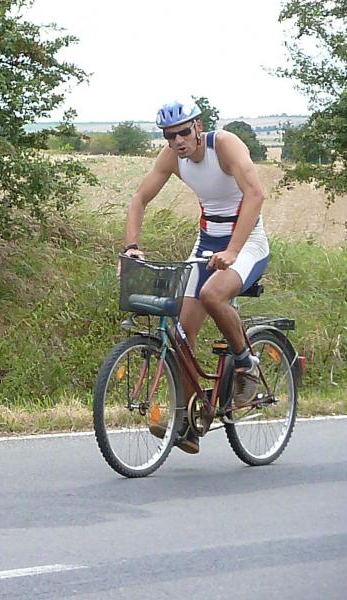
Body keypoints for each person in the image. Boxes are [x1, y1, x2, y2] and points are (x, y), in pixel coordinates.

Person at [122, 97, 269, 454]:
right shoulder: (172, 157)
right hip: (206, 244)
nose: (177, 141)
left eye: (183, 133)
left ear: (198, 127)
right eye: (169, 136)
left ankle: (246, 365)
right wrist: (131, 247)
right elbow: (139, 198)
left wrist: (233, 251)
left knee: (212, 295)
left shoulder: (225, 145)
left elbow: (255, 193)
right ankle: (189, 422)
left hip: (247, 242)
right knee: (181, 337)